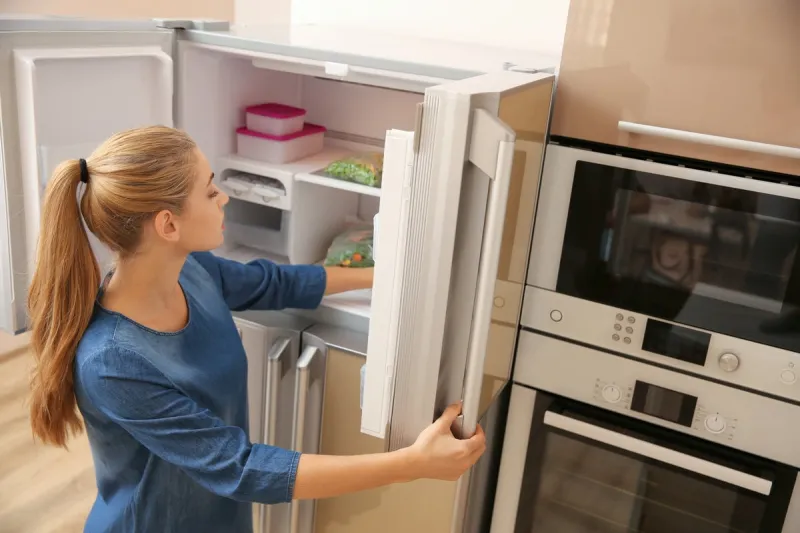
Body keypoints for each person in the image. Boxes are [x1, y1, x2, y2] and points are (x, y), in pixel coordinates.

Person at [27, 125, 486, 533]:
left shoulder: (193, 271)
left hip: (219, 516)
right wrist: (411, 465)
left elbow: (277, 282)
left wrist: (386, 276)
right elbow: (240, 467)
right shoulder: (114, 360)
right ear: (168, 224)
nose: (222, 197)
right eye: (209, 192)